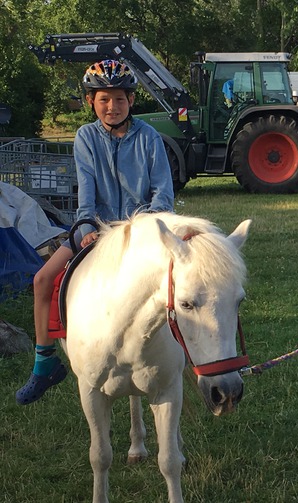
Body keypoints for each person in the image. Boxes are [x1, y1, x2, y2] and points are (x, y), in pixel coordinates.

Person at [16, 59, 174, 405]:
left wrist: (137, 228)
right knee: (42, 280)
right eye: (103, 99)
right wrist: (88, 228)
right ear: (91, 101)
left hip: (143, 230)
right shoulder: (85, 137)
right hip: (96, 228)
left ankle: (191, 354)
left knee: (186, 283)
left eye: (119, 99)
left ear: (132, 100)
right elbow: (85, 196)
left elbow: (163, 193)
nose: (112, 107)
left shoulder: (149, 138)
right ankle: (45, 363)